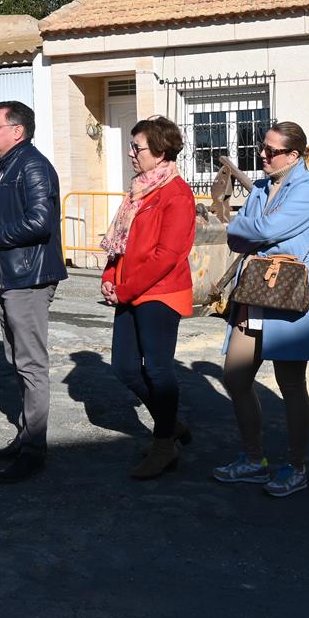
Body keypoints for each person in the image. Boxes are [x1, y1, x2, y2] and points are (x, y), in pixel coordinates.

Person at [211, 121, 309, 497]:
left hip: (288, 295)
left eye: (272, 150)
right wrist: (252, 232)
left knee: (291, 385)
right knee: (235, 376)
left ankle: (296, 467)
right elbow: (243, 231)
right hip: (254, 292)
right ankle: (254, 459)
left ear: (294, 155)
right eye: (262, 147)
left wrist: (251, 232)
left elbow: (259, 228)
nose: (262, 155)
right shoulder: (263, 186)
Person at [0, 101, 67, 484]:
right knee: (16, 359)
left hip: (28, 278)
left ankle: (34, 450)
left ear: (17, 131)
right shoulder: (2, 168)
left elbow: (40, 222)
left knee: (31, 365)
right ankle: (26, 435)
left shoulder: (33, 166)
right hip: (6, 276)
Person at [99, 116, 196, 480]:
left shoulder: (176, 193)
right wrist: (110, 276)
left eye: (136, 147)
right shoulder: (139, 189)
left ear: (159, 151)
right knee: (125, 368)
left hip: (160, 292)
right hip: (130, 290)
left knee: (157, 369)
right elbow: (120, 243)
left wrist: (125, 288)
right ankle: (171, 425)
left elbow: (167, 254)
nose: (131, 153)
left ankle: (163, 445)